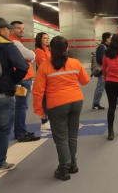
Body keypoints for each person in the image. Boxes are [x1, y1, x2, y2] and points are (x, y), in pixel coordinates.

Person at [32, 36, 90, 181]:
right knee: (72, 135)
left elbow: (38, 90)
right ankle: (73, 164)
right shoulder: (75, 63)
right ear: (67, 48)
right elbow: (85, 80)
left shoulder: (45, 66)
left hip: (57, 104)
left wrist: (39, 109)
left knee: (61, 138)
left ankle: (63, 168)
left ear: (50, 49)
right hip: (76, 101)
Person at [0, 17, 29, 175]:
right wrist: (10, 81)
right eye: (7, 29)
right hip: (3, 94)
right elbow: (23, 67)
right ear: (1, 31)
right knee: (4, 129)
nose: (9, 31)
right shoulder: (7, 46)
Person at [9, 21, 41, 142]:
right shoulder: (15, 43)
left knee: (20, 106)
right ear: (11, 30)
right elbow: (30, 55)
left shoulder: (14, 42)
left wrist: (30, 56)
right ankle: (21, 133)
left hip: (21, 78)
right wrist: (31, 55)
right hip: (23, 79)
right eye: (18, 28)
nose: (22, 30)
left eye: (23, 28)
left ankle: (20, 131)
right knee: (21, 106)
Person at [34, 32, 52, 130]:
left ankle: (47, 120)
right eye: (45, 38)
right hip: (43, 79)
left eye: (48, 38)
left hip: (49, 78)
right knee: (44, 100)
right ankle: (44, 122)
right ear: (39, 40)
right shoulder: (39, 51)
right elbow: (44, 64)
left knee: (47, 99)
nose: (47, 40)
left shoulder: (48, 50)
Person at [92, 32, 111, 110]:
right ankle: (95, 103)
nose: (111, 40)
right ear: (107, 39)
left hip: (107, 71)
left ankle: (116, 100)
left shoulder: (107, 47)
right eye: (110, 38)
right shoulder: (101, 47)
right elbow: (100, 59)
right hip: (102, 71)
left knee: (110, 87)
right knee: (100, 88)